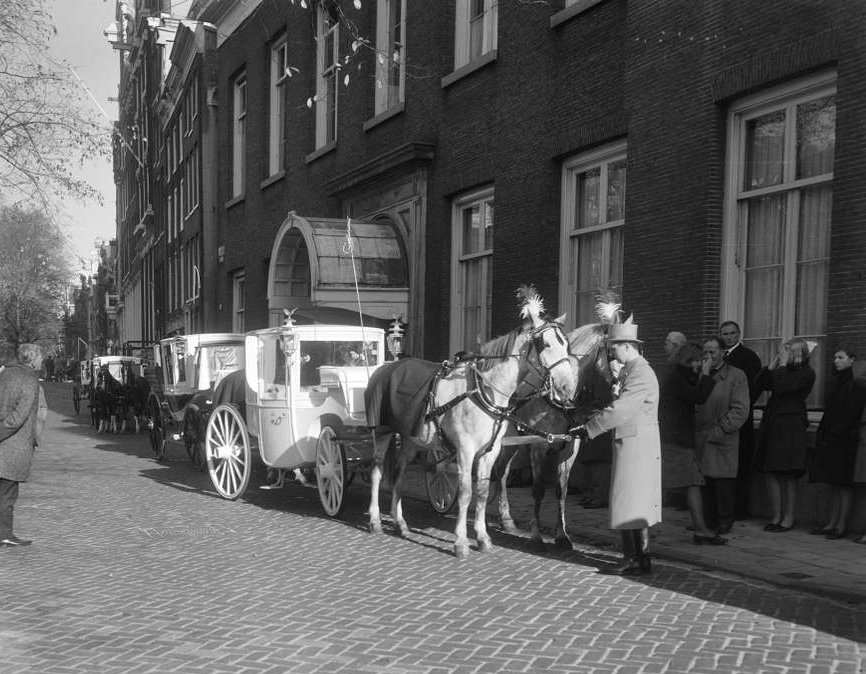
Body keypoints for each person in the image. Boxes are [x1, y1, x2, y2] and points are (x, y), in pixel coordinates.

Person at [572, 319, 661, 576]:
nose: (612, 353)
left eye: (614, 348)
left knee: (630, 501)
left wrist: (590, 428)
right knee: (631, 502)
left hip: (637, 445)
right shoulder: (631, 370)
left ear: (627, 346)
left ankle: (635, 559)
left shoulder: (640, 372)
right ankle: (638, 558)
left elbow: (622, 409)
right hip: (631, 441)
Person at [658, 342, 725, 544]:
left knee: (692, 482)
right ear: (689, 360)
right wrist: (705, 375)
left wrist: (704, 374)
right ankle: (701, 530)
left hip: (679, 437)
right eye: (698, 360)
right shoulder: (675, 377)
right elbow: (698, 396)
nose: (700, 364)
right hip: (676, 438)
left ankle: (700, 529)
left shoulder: (680, 374)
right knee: (690, 483)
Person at [754, 339, 816, 533]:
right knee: (770, 470)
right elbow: (760, 384)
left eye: (788, 350)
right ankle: (776, 514)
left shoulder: (806, 373)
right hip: (773, 423)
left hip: (791, 426)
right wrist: (769, 367)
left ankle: (788, 517)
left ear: (799, 353)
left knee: (789, 473)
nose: (784, 353)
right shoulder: (781, 371)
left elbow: (783, 386)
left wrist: (778, 369)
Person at [808, 346, 866, 539]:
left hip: (845, 439)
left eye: (841, 357)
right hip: (833, 438)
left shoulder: (855, 384)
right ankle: (831, 523)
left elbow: (851, 413)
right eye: (835, 357)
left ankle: (840, 525)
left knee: (843, 485)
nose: (836, 360)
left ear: (852, 359)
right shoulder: (837, 382)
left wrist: (837, 431)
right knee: (833, 484)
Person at [694, 336, 750, 536]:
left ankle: (725, 519)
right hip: (701, 436)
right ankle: (706, 519)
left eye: (712, 352)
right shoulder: (700, 374)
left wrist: (721, 429)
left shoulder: (736, 376)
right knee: (704, 482)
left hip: (721, 437)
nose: (708, 356)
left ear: (723, 353)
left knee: (722, 481)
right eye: (705, 352)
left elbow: (741, 409)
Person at [0, 343, 48, 547]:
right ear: (33, 358)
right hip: (13, 445)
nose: (41, 362)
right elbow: (20, 416)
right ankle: (4, 534)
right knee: (7, 494)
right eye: (40, 358)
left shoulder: (4, 374)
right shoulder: (29, 379)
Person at [719, 320, 762, 520]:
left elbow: (753, 388)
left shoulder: (749, 357)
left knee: (741, 464)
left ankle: (740, 509)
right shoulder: (718, 356)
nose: (728, 337)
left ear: (739, 335)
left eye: (732, 333)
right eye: (725, 334)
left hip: (740, 418)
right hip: (719, 417)